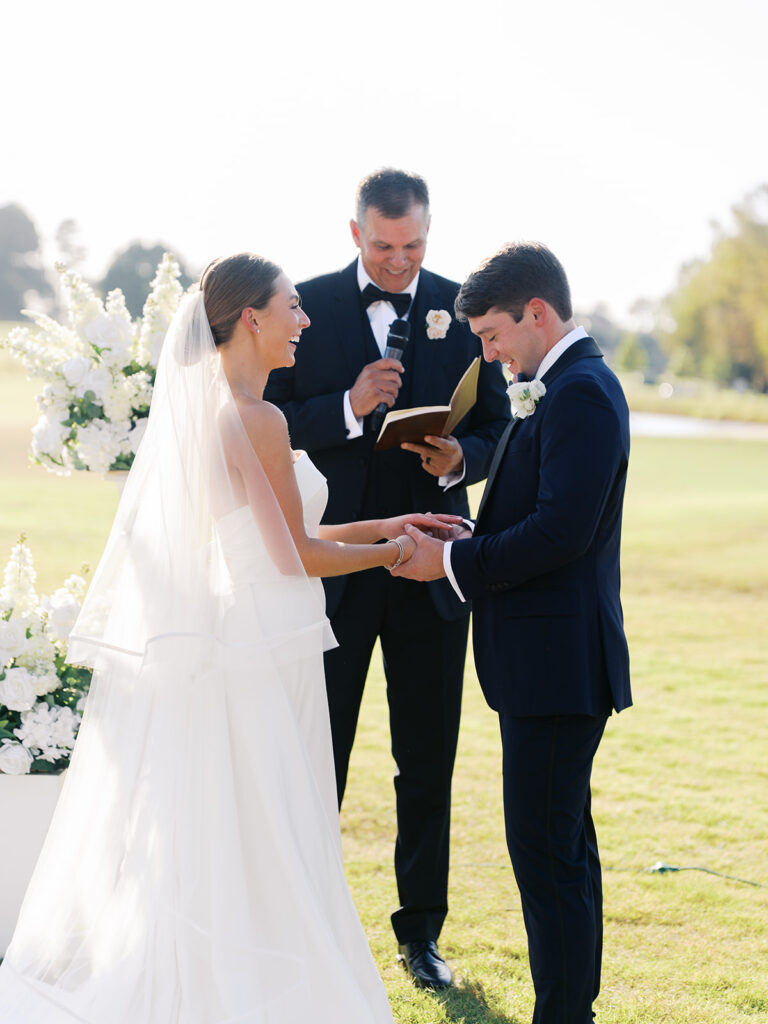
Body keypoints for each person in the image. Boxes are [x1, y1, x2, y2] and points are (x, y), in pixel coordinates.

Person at [0, 253, 459, 1023]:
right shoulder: (257, 416)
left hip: (246, 629)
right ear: (252, 317)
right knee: (274, 819)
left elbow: (288, 533)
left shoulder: (225, 409)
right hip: (266, 641)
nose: (305, 320)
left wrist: (389, 522)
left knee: (244, 819)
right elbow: (296, 556)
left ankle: (223, 976)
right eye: (292, 308)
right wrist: (396, 557)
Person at [264, 168, 511, 988]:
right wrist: (347, 404)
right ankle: (304, 926)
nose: (401, 262)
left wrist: (459, 459)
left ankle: (421, 936)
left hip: (432, 571)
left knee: (427, 760)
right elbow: (261, 421)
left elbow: (498, 430)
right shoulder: (300, 306)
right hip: (331, 570)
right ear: (354, 234)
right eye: (384, 246)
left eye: (414, 246)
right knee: (317, 754)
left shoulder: (462, 307)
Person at [393, 242, 632, 1023]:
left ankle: (564, 1014)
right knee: (560, 846)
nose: (488, 353)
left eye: (493, 335)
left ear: (537, 314)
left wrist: (451, 561)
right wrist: (470, 526)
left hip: (559, 665)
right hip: (544, 662)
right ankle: (571, 1009)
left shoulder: (582, 392)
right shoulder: (555, 385)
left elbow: (563, 533)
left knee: (547, 853)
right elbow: (540, 514)